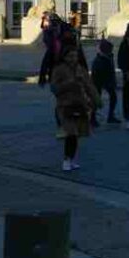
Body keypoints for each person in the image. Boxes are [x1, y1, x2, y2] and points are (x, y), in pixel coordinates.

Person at [49, 33, 99, 171]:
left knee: (77, 135)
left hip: (80, 104)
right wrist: (69, 83)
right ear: (64, 57)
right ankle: (66, 159)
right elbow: (54, 88)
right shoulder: (59, 70)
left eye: (75, 56)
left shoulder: (81, 69)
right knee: (71, 133)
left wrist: (96, 100)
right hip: (65, 106)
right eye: (70, 56)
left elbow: (89, 85)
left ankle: (71, 159)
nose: (73, 59)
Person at [90, 39, 119, 125]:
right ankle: (92, 117)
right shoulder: (99, 59)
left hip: (107, 80)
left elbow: (111, 70)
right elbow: (96, 73)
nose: (110, 51)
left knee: (113, 97)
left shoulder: (109, 56)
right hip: (98, 80)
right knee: (96, 99)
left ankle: (110, 116)